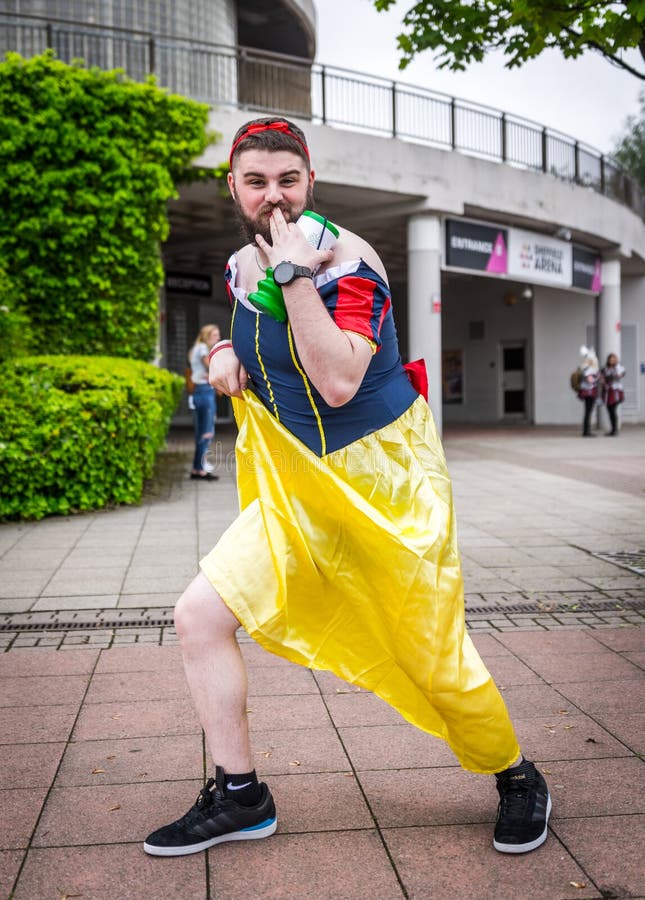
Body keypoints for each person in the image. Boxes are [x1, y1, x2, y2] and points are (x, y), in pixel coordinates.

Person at [143, 117, 550, 858]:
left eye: (287, 181)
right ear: (233, 187)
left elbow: (335, 380)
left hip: (383, 482)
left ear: (311, 182)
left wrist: (296, 271)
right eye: (256, 182)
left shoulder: (345, 259)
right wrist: (230, 350)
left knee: (432, 658)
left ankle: (515, 775)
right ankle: (240, 795)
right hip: (298, 486)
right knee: (198, 616)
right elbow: (266, 345)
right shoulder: (240, 266)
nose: (274, 199)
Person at [188, 324, 220, 480]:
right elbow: (212, 366)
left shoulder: (197, 348)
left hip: (199, 392)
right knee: (206, 432)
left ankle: (196, 468)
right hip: (205, 392)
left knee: (201, 433)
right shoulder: (202, 348)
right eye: (215, 335)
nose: (218, 338)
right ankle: (201, 470)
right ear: (207, 336)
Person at [600, 353, 625, 436]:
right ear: (608, 360)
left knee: (613, 410)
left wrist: (610, 377)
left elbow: (621, 375)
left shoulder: (618, 367)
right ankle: (613, 430)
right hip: (607, 391)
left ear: (616, 360)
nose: (612, 361)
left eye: (613, 359)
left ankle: (615, 430)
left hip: (615, 392)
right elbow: (601, 378)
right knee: (609, 411)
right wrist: (603, 380)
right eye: (610, 359)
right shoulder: (605, 369)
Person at [577, 347, 600, 437]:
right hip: (589, 391)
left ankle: (586, 430)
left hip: (587, 390)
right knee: (588, 411)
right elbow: (590, 380)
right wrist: (597, 377)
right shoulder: (587, 368)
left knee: (588, 411)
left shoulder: (585, 367)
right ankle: (587, 431)